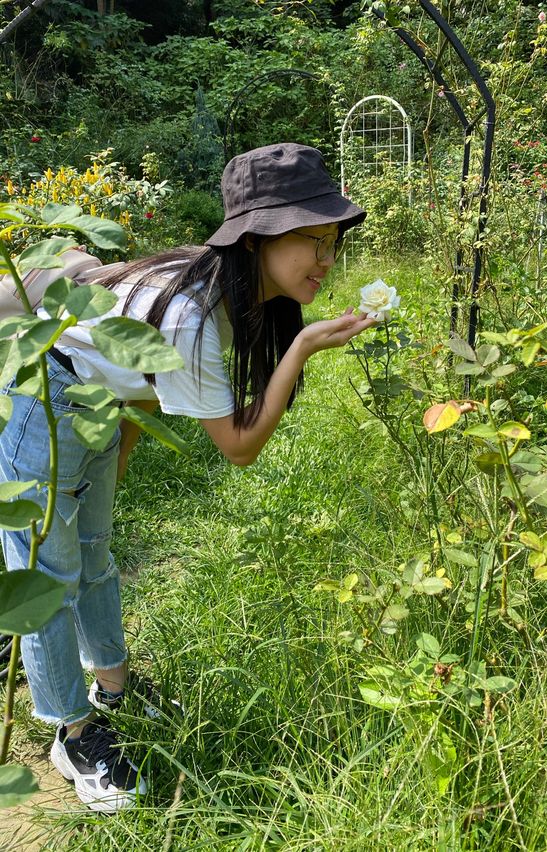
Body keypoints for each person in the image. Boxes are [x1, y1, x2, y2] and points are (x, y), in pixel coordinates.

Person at [0, 142, 376, 812]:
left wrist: (115, 452)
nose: (326, 259)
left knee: (93, 554)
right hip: (43, 394)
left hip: (96, 405)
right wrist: (301, 348)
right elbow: (238, 447)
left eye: (333, 242)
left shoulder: (225, 291)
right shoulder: (195, 315)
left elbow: (141, 377)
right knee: (47, 579)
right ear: (256, 238)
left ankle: (111, 687)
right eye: (311, 240)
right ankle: (71, 728)